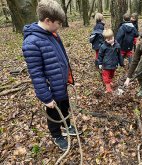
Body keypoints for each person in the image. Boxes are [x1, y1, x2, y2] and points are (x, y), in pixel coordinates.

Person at [22, 0, 81, 151]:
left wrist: (69, 79)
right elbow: (36, 73)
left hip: (61, 84)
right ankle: (57, 135)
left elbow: (62, 57)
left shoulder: (53, 34)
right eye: (58, 23)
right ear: (48, 21)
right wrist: (46, 97)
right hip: (50, 90)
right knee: (54, 114)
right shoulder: (31, 43)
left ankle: (67, 125)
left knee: (65, 107)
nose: (60, 26)